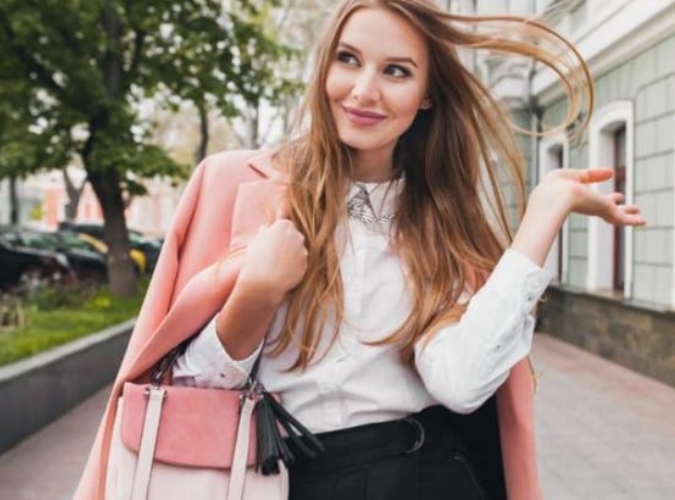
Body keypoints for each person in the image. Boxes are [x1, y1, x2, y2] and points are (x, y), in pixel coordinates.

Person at [74, 1, 644, 499]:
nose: (364, 90)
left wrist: (542, 216)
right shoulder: (232, 185)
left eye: (396, 71)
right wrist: (255, 295)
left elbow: (461, 384)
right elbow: (182, 391)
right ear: (324, 67)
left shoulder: (438, 222)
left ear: (426, 97)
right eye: (348, 60)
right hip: (281, 478)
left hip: (426, 477)